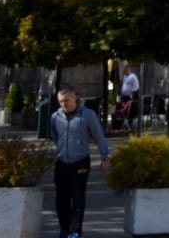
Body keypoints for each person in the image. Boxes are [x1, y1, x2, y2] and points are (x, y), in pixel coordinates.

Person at [49, 86, 110, 238]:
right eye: (61, 101)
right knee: (61, 198)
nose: (64, 104)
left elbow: (98, 135)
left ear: (75, 98)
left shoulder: (87, 115)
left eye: (67, 101)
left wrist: (105, 157)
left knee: (77, 197)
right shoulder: (55, 117)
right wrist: (61, 148)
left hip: (80, 161)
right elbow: (54, 135)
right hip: (62, 161)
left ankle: (75, 231)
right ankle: (64, 228)